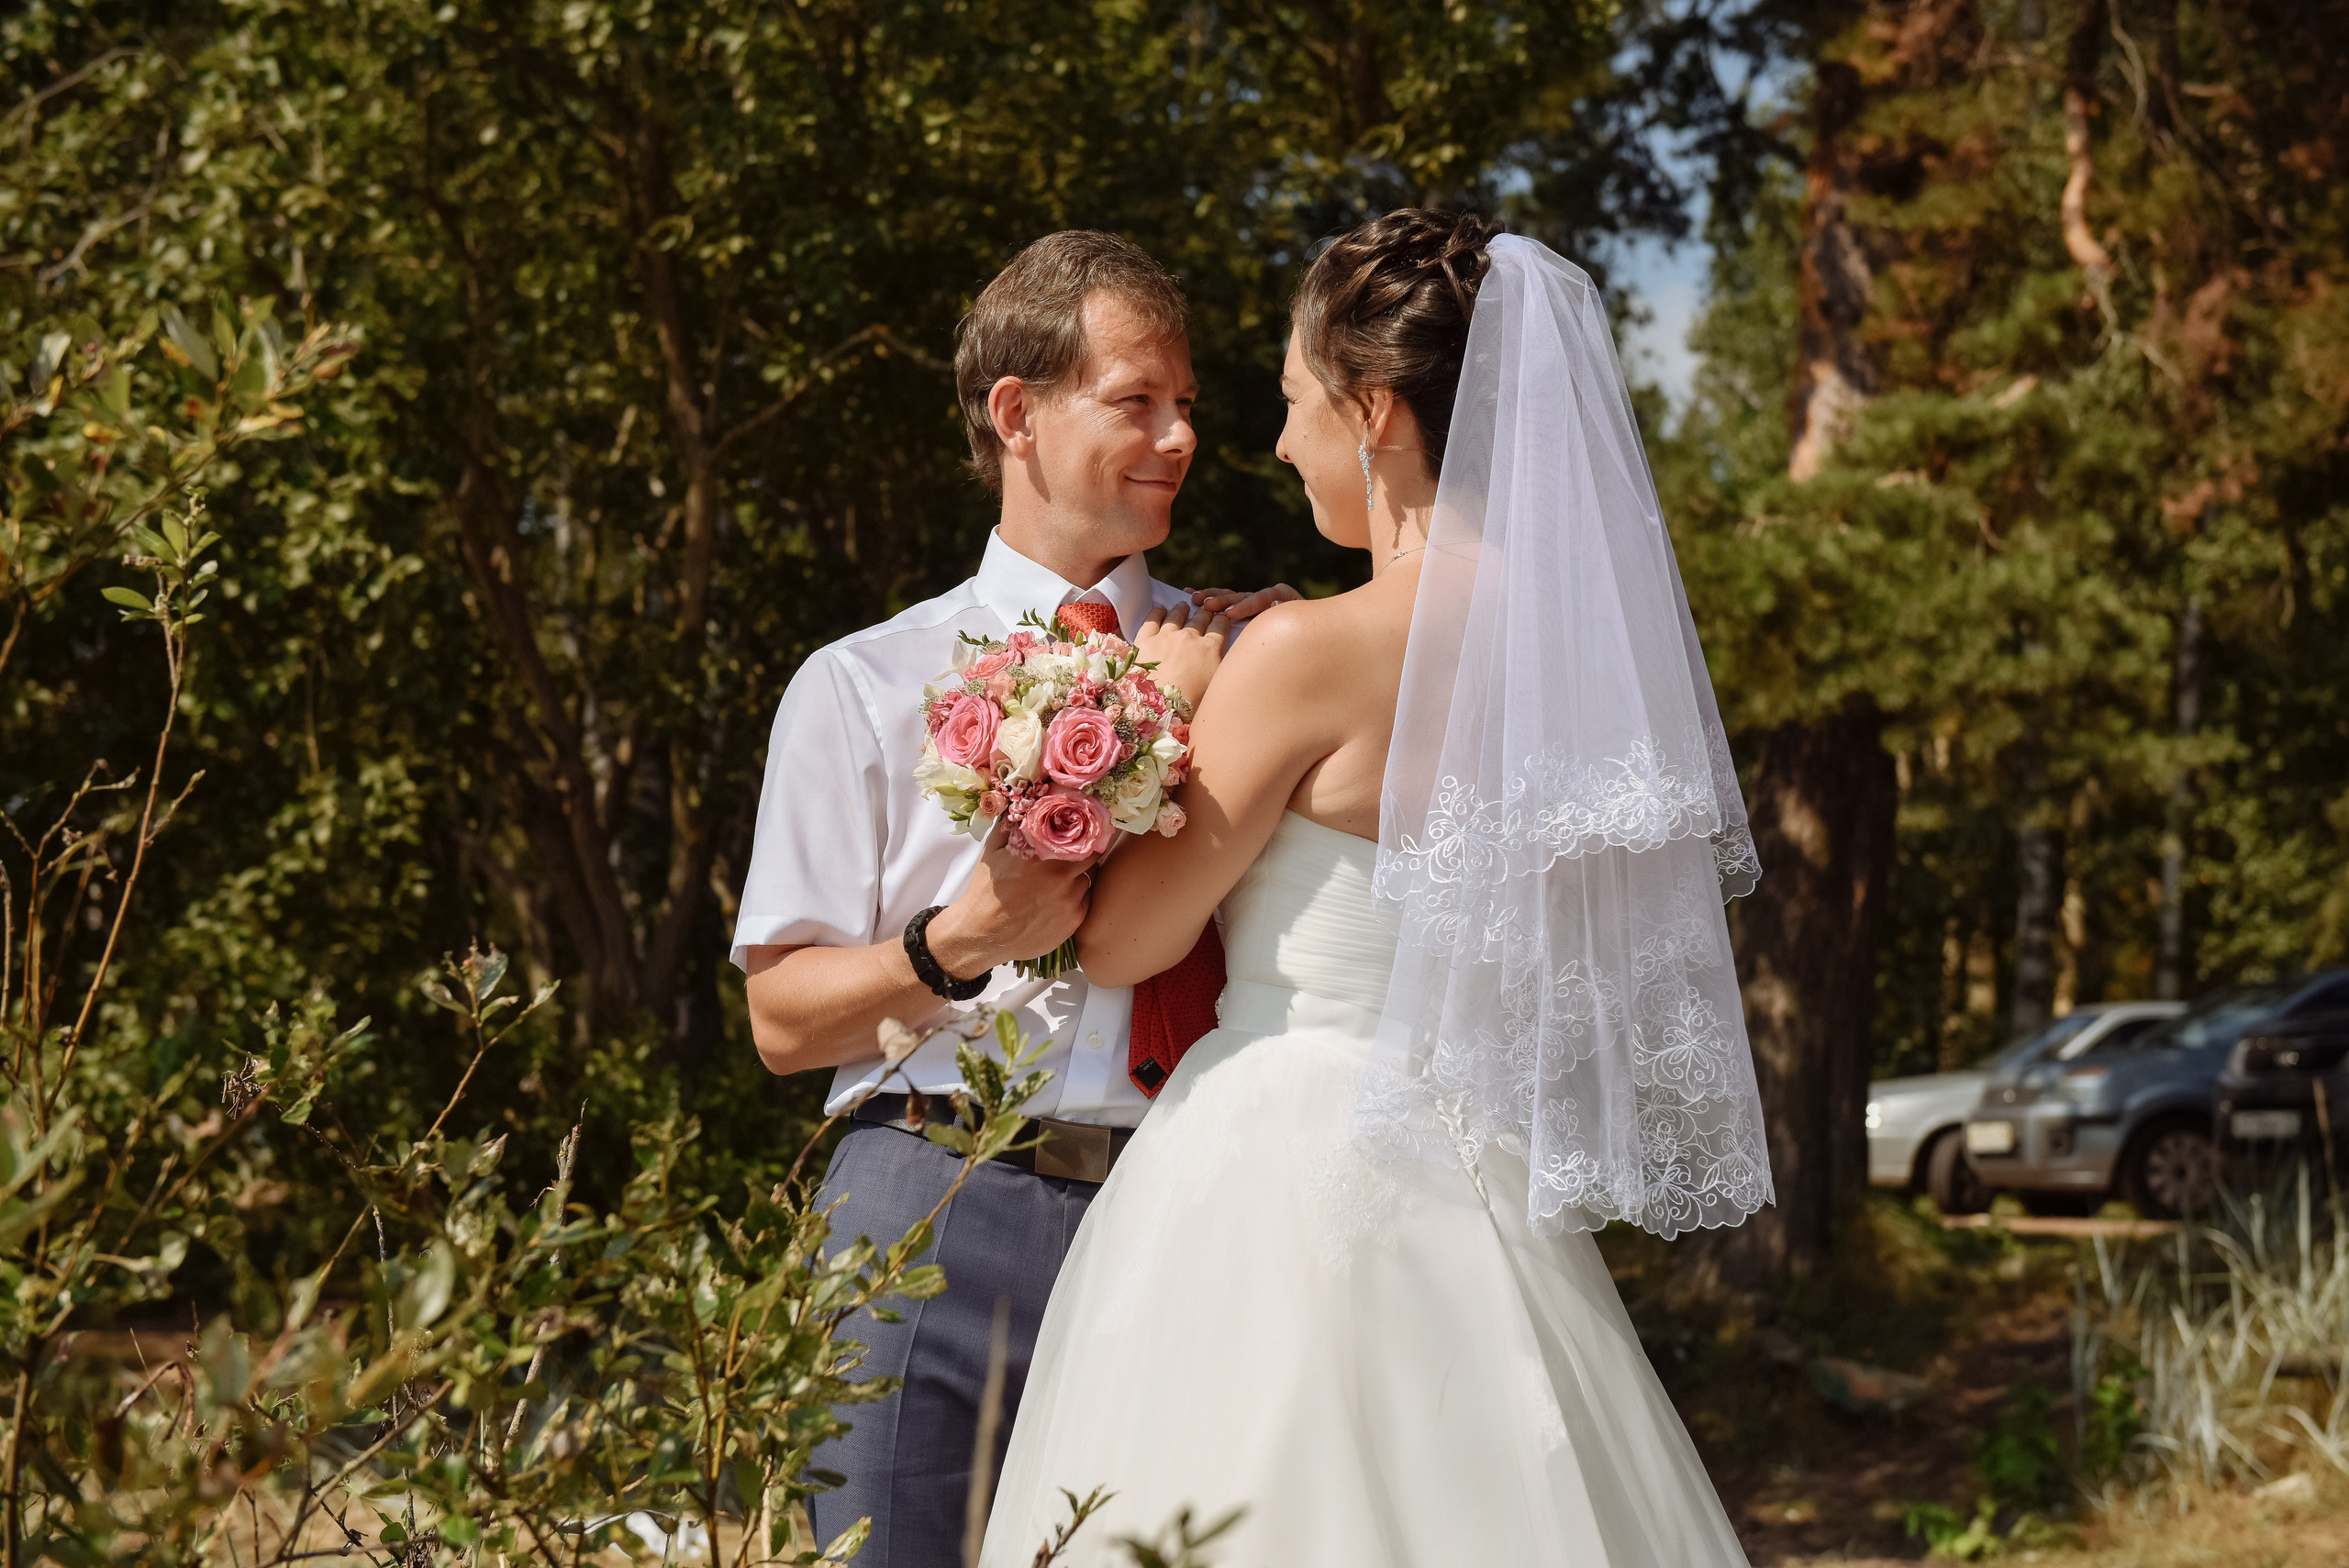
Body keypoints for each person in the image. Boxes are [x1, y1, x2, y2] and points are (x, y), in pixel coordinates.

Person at [980, 212, 1773, 1566]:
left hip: (1283, 1152)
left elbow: (1120, 941)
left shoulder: (1300, 653)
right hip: (1479, 1172)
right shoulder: (1575, 656)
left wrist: (1171, 697)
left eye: (1294, 406)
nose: (1279, 444)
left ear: (1375, 410)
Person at [731, 230, 1294, 1566]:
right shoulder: (860, 686)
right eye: (1137, 400)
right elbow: (779, 1022)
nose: (1180, 437)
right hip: (928, 1209)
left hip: (1191, 1218)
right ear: (1016, 413)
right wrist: (954, 944)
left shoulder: (1257, 658)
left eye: (1191, 405)